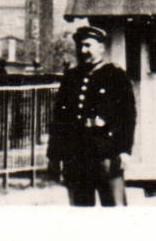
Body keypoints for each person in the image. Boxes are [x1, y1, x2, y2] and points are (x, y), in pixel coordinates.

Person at [48, 25, 136, 206]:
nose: (83, 50)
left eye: (88, 45)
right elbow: (59, 120)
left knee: (114, 210)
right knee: (80, 213)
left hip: (106, 154)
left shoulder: (115, 75)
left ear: (101, 48)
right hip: (76, 156)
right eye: (80, 46)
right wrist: (54, 157)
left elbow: (128, 117)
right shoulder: (71, 77)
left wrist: (125, 151)